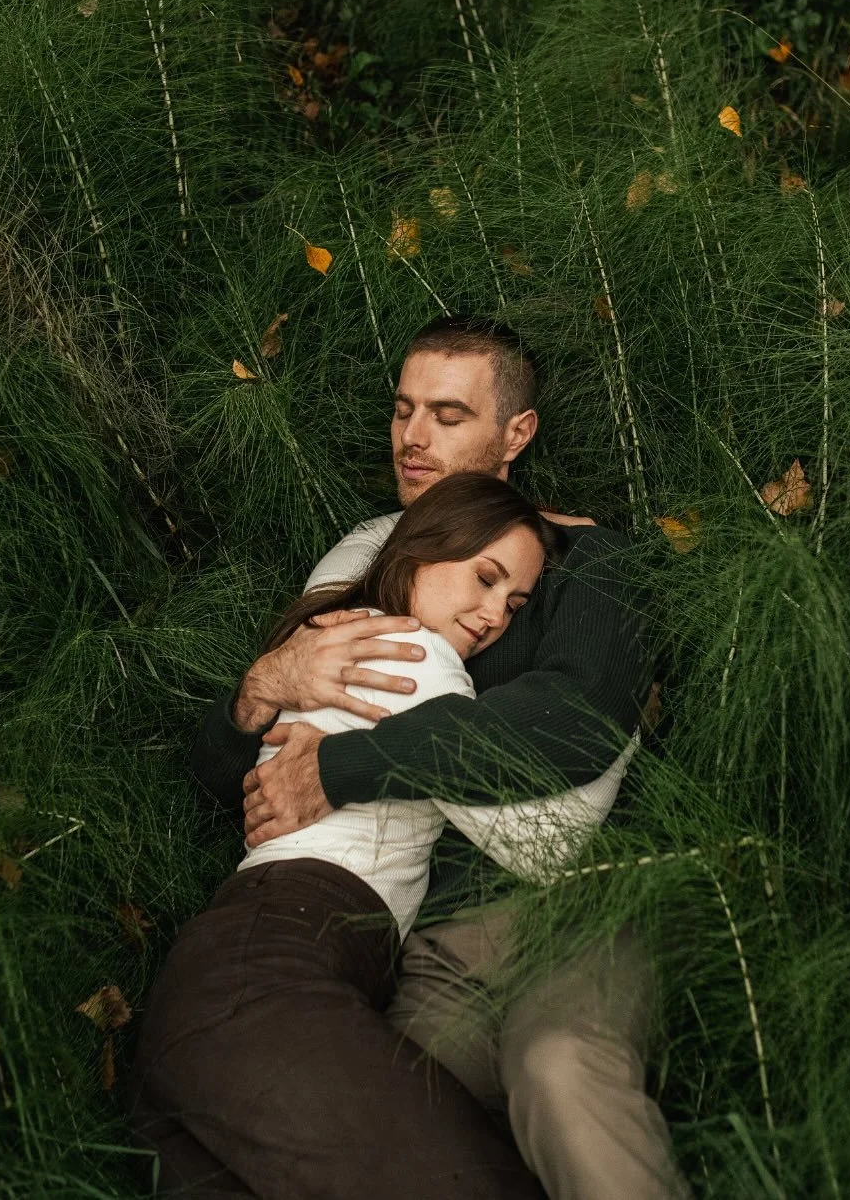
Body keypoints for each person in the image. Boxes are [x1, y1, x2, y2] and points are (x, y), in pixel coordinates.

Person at [191, 317, 689, 1200]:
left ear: (516, 433)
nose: (413, 438)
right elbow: (249, 777)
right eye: (404, 410)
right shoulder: (374, 566)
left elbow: (569, 722)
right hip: (431, 943)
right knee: (396, 1129)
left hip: (572, 907)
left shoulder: (588, 558)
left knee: (559, 1071)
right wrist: (259, 689)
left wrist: (341, 768)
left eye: (449, 415)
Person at [131, 473, 561, 1198]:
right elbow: (534, 827)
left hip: (242, 969)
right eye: (485, 579)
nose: (494, 615)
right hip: (274, 960)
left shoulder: (346, 636)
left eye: (514, 604)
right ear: (422, 551)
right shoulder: (416, 657)